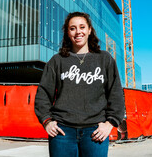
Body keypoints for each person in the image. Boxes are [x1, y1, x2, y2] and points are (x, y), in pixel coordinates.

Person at [35, 12, 125, 157]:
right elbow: (43, 94)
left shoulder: (104, 59)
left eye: (82, 27)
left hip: (95, 132)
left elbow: (116, 94)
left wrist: (110, 124)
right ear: (67, 33)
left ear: (89, 30)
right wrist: (47, 121)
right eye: (73, 28)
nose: (78, 32)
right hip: (62, 132)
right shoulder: (57, 61)